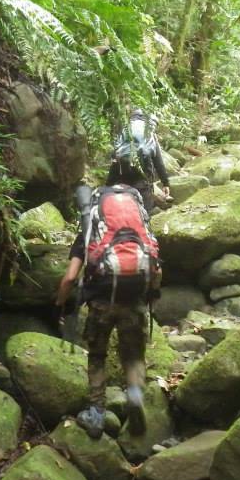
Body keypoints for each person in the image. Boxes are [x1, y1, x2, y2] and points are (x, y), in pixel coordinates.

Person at [56, 183, 161, 439]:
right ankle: (135, 395)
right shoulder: (140, 228)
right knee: (134, 356)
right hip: (135, 301)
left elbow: (70, 278)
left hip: (101, 304)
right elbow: (157, 269)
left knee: (98, 355)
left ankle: (96, 412)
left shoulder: (90, 232)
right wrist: (150, 298)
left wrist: (60, 303)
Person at [107, 109, 170, 212]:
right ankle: (144, 222)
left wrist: (108, 185)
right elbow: (158, 162)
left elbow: (114, 155)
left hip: (120, 171)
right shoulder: (150, 134)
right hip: (142, 174)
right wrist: (165, 183)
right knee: (143, 208)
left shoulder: (125, 130)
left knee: (116, 204)